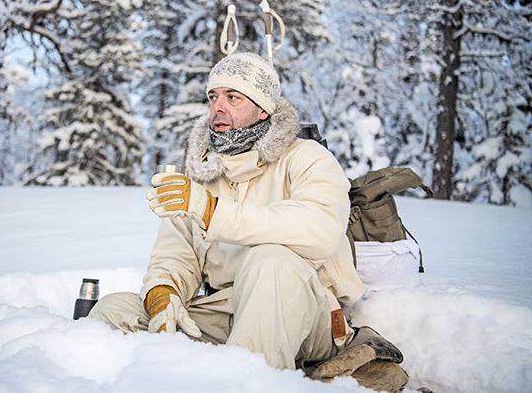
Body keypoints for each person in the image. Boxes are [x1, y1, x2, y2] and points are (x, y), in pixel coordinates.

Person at [89, 52, 406, 389]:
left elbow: (320, 231)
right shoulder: (201, 176)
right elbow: (175, 254)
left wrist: (213, 211)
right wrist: (163, 296)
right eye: (213, 97)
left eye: (233, 97)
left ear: (263, 108)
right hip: (227, 313)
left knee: (270, 260)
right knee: (115, 311)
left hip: (306, 317)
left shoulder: (307, 158)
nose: (217, 107)